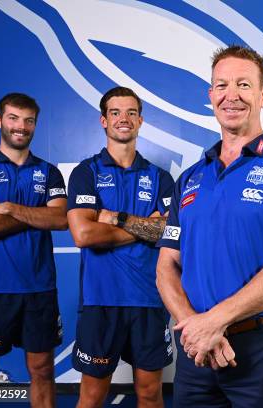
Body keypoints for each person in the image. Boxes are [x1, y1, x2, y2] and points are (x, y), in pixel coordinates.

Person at [156, 45, 263, 408]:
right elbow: (166, 267)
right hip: (196, 349)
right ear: (211, 95)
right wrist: (196, 328)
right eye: (222, 85)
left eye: (243, 85)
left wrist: (215, 321)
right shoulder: (190, 178)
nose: (231, 95)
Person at [67, 87, 174, 408]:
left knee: (149, 395)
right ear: (103, 120)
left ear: (140, 120)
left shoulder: (161, 178)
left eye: (130, 112)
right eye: (115, 112)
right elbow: (84, 234)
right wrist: (145, 226)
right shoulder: (86, 173)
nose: (123, 119)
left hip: (149, 300)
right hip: (101, 300)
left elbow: (169, 231)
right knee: (92, 397)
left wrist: (116, 218)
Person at [0, 93, 68, 407]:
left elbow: (61, 219)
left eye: (28, 120)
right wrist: (35, 215)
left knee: (42, 371)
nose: (20, 127)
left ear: (35, 124)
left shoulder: (49, 172)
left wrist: (10, 210)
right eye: (13, 118)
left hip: (39, 289)